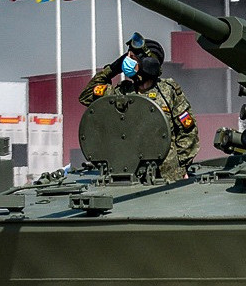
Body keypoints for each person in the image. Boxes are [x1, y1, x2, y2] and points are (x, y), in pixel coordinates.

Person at [80, 33, 200, 180]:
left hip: (166, 175)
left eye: (132, 58)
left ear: (148, 64)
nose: (126, 61)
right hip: (128, 174)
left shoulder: (168, 91)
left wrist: (181, 166)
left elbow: (188, 131)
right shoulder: (121, 92)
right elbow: (86, 96)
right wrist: (112, 69)